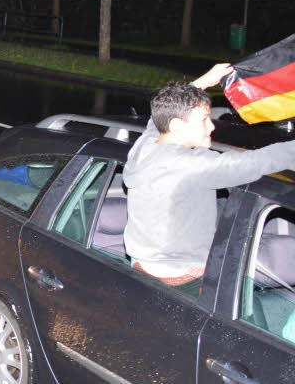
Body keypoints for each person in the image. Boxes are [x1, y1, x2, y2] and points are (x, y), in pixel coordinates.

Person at [123, 63, 295, 296]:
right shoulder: (192, 165)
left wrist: (204, 80)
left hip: (142, 261)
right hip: (182, 277)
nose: (211, 126)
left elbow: (158, 117)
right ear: (176, 125)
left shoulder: (145, 146)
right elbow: (257, 162)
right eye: (203, 119)